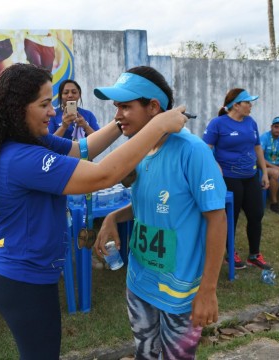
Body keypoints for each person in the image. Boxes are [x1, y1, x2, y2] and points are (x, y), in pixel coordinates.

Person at [0, 63, 187, 359]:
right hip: (23, 281)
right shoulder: (22, 157)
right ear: (17, 108)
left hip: (29, 275)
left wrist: (122, 120)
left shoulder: (30, 140)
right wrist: (158, 125)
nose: (53, 112)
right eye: (45, 104)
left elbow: (81, 150)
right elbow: (103, 175)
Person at [93, 66, 227, 360]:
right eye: (116, 107)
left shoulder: (192, 150)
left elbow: (217, 219)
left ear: (153, 107)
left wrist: (208, 290)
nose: (117, 115)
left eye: (126, 106)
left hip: (180, 292)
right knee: (145, 353)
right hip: (140, 282)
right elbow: (147, 204)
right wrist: (113, 217)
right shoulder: (138, 149)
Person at [203, 88, 272, 271]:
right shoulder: (218, 123)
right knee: (230, 218)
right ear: (236, 105)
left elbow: (257, 148)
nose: (251, 106)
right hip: (229, 178)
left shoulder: (250, 122)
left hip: (251, 176)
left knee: (256, 214)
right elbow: (205, 149)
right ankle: (230, 252)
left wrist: (264, 172)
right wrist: (215, 167)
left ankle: (254, 255)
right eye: (248, 103)